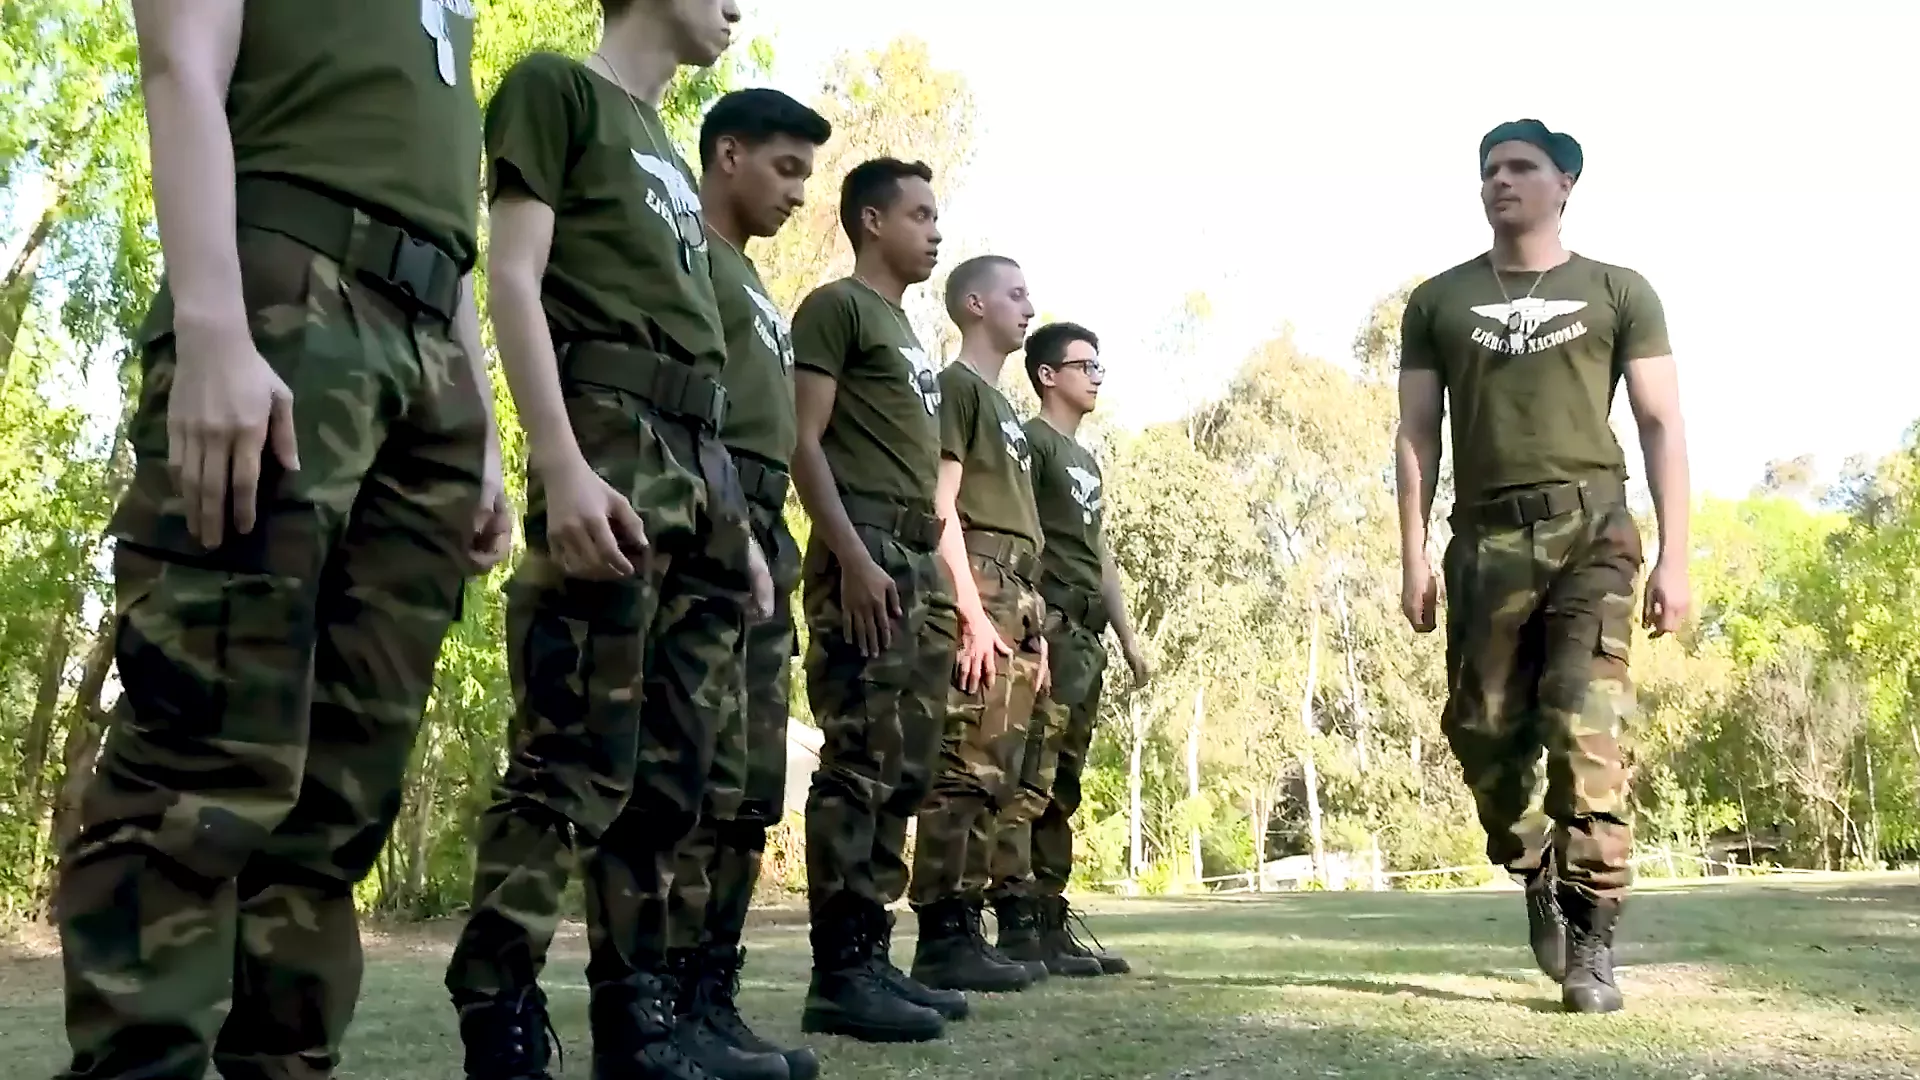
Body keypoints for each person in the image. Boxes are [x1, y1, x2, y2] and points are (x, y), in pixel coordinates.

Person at [52, 1, 512, 1077]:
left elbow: (445, 215)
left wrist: (481, 423)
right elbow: (181, 60)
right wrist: (213, 322)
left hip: (429, 347)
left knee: (343, 794)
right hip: (287, 293)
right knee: (200, 753)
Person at [439, 3, 781, 1078]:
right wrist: (560, 461)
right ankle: (499, 1016)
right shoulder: (559, 88)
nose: (737, 8)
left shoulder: (669, 152)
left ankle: (640, 1026)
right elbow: (512, 278)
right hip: (611, 443)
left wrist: (737, 526)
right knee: (573, 758)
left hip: (700, 469)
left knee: (676, 780)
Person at [1394, 118, 1691, 1015]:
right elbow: (1417, 434)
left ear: (1565, 183)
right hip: (1484, 542)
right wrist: (1413, 555)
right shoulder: (1438, 301)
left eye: (1521, 167)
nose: (1501, 180)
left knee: (1583, 724)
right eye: (1490, 169)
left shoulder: (1617, 290)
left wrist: (1677, 557)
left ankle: (1592, 938)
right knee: (1481, 732)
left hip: (1592, 533)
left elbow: (1661, 423)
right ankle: (1532, 865)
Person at [662, 87, 832, 1080]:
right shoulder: (686, 251)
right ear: (728, 155)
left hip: (767, 529)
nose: (799, 193)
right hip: (712, 523)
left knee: (751, 786)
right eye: (785, 168)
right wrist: (728, 525)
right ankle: (666, 1005)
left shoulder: (755, 281)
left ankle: (711, 999)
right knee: (695, 778)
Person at [788, 157, 969, 1045]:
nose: (935, 231)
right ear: (871, 220)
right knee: (859, 758)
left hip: (916, 559)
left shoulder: (908, 333)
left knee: (906, 766)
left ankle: (875, 957)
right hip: (866, 553)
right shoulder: (839, 309)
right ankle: (840, 972)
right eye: (920, 215)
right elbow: (802, 439)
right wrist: (853, 559)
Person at [903, 255, 1053, 994]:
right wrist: (967, 609)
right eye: (1015, 294)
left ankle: (972, 929)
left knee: (998, 772)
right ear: (973, 304)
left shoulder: (1008, 414)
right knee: (962, 767)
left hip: (1018, 596)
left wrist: (1035, 629)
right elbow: (943, 505)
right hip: (983, 587)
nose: (1029, 308)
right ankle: (943, 934)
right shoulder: (957, 388)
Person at [1013, 322, 1150, 978]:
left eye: (1099, 366)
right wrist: (1030, 622)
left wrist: (1129, 639)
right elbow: (1020, 533)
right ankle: (1017, 922)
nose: (1096, 377)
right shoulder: (1031, 443)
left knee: (1064, 777)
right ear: (1048, 375)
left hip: (1088, 637)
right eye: (1085, 365)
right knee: (1032, 774)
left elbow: (1100, 555)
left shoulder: (1087, 462)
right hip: (1050, 627)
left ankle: (1049, 916)